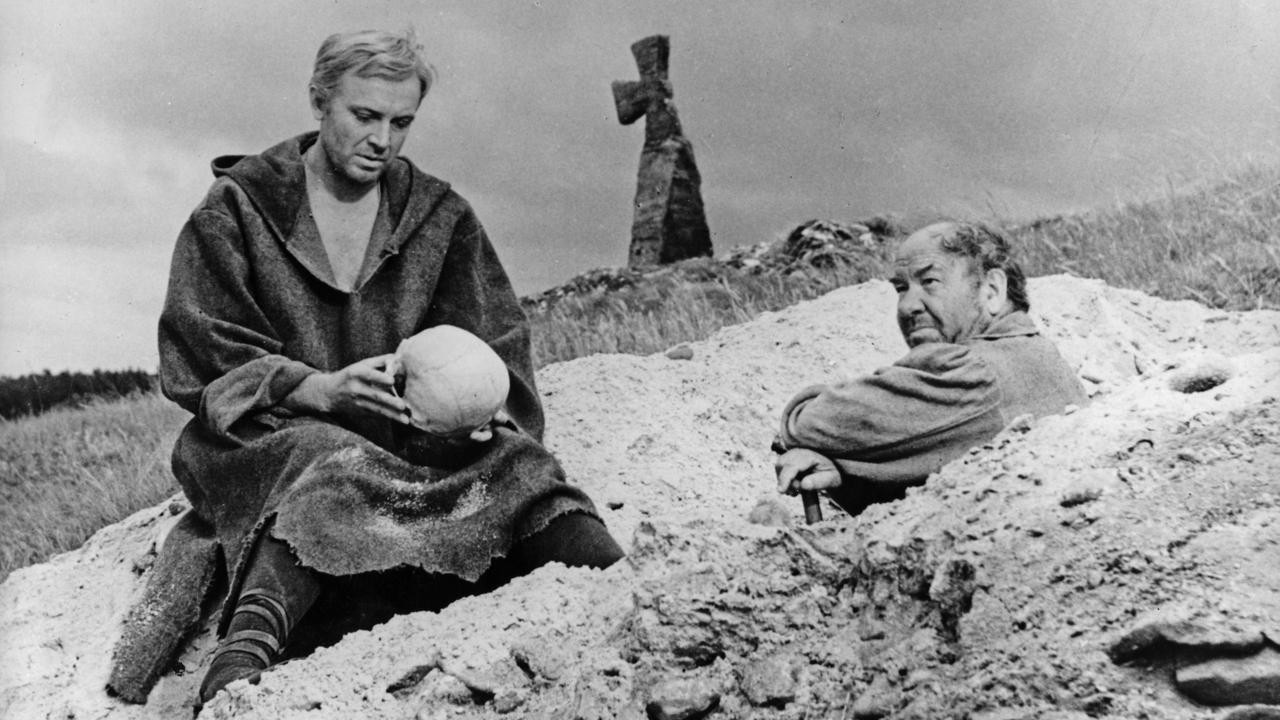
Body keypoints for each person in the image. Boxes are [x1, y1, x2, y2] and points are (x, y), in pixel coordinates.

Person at [158, 29, 623, 705]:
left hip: (410, 438)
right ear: (320, 101)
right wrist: (317, 390)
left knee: (521, 463)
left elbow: (495, 336)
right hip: (281, 435)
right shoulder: (237, 209)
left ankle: (626, 588)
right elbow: (203, 350)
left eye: (401, 122)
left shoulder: (438, 215)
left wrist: (479, 407)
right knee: (323, 458)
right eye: (365, 116)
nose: (382, 139)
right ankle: (243, 659)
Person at [773, 221, 1087, 516]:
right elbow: (944, 464)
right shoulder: (1039, 353)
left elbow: (806, 424)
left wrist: (818, 435)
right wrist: (845, 473)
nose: (908, 305)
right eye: (901, 288)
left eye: (930, 282)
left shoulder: (967, 369)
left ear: (991, 290)